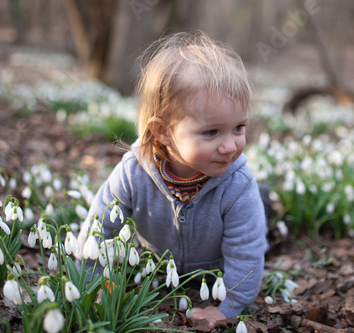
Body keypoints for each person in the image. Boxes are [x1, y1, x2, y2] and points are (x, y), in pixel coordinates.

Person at [76, 30, 268, 328]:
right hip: (155, 270)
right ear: (163, 132)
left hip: (212, 277)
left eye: (239, 127)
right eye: (211, 132)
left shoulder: (238, 183)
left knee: (255, 215)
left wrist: (228, 308)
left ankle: (271, 204)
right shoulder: (132, 173)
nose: (230, 146)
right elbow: (99, 229)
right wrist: (90, 287)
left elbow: (247, 253)